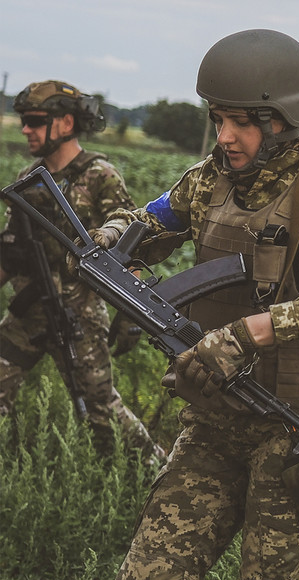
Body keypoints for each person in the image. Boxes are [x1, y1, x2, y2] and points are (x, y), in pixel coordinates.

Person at [104, 29, 299, 580]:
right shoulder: (210, 178)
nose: (225, 137)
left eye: (240, 123)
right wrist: (108, 242)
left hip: (293, 427)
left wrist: (248, 333)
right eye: (217, 120)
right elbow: (148, 222)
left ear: (282, 120)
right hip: (215, 417)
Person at [0, 79, 163, 462]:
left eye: (35, 120)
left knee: (103, 412)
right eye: (23, 120)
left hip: (78, 317)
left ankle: (157, 469)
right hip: (28, 312)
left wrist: (133, 318)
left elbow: (129, 253)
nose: (25, 129)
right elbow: (9, 252)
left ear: (66, 123)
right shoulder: (28, 178)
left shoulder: (100, 176)